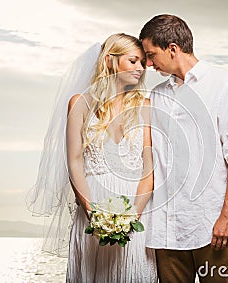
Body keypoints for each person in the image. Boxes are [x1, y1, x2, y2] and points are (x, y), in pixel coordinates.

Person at [27, 33, 157, 282]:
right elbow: (74, 162)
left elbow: (148, 170)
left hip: (136, 209)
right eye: (133, 61)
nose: (140, 68)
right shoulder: (79, 103)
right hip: (93, 205)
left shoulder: (146, 106)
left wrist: (132, 218)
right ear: (110, 60)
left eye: (142, 62)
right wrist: (93, 213)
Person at [139, 15, 228, 282]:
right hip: (167, 230)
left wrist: (227, 217)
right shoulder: (157, 95)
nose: (149, 63)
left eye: (152, 54)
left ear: (173, 49)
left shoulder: (225, 85)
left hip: (212, 224)